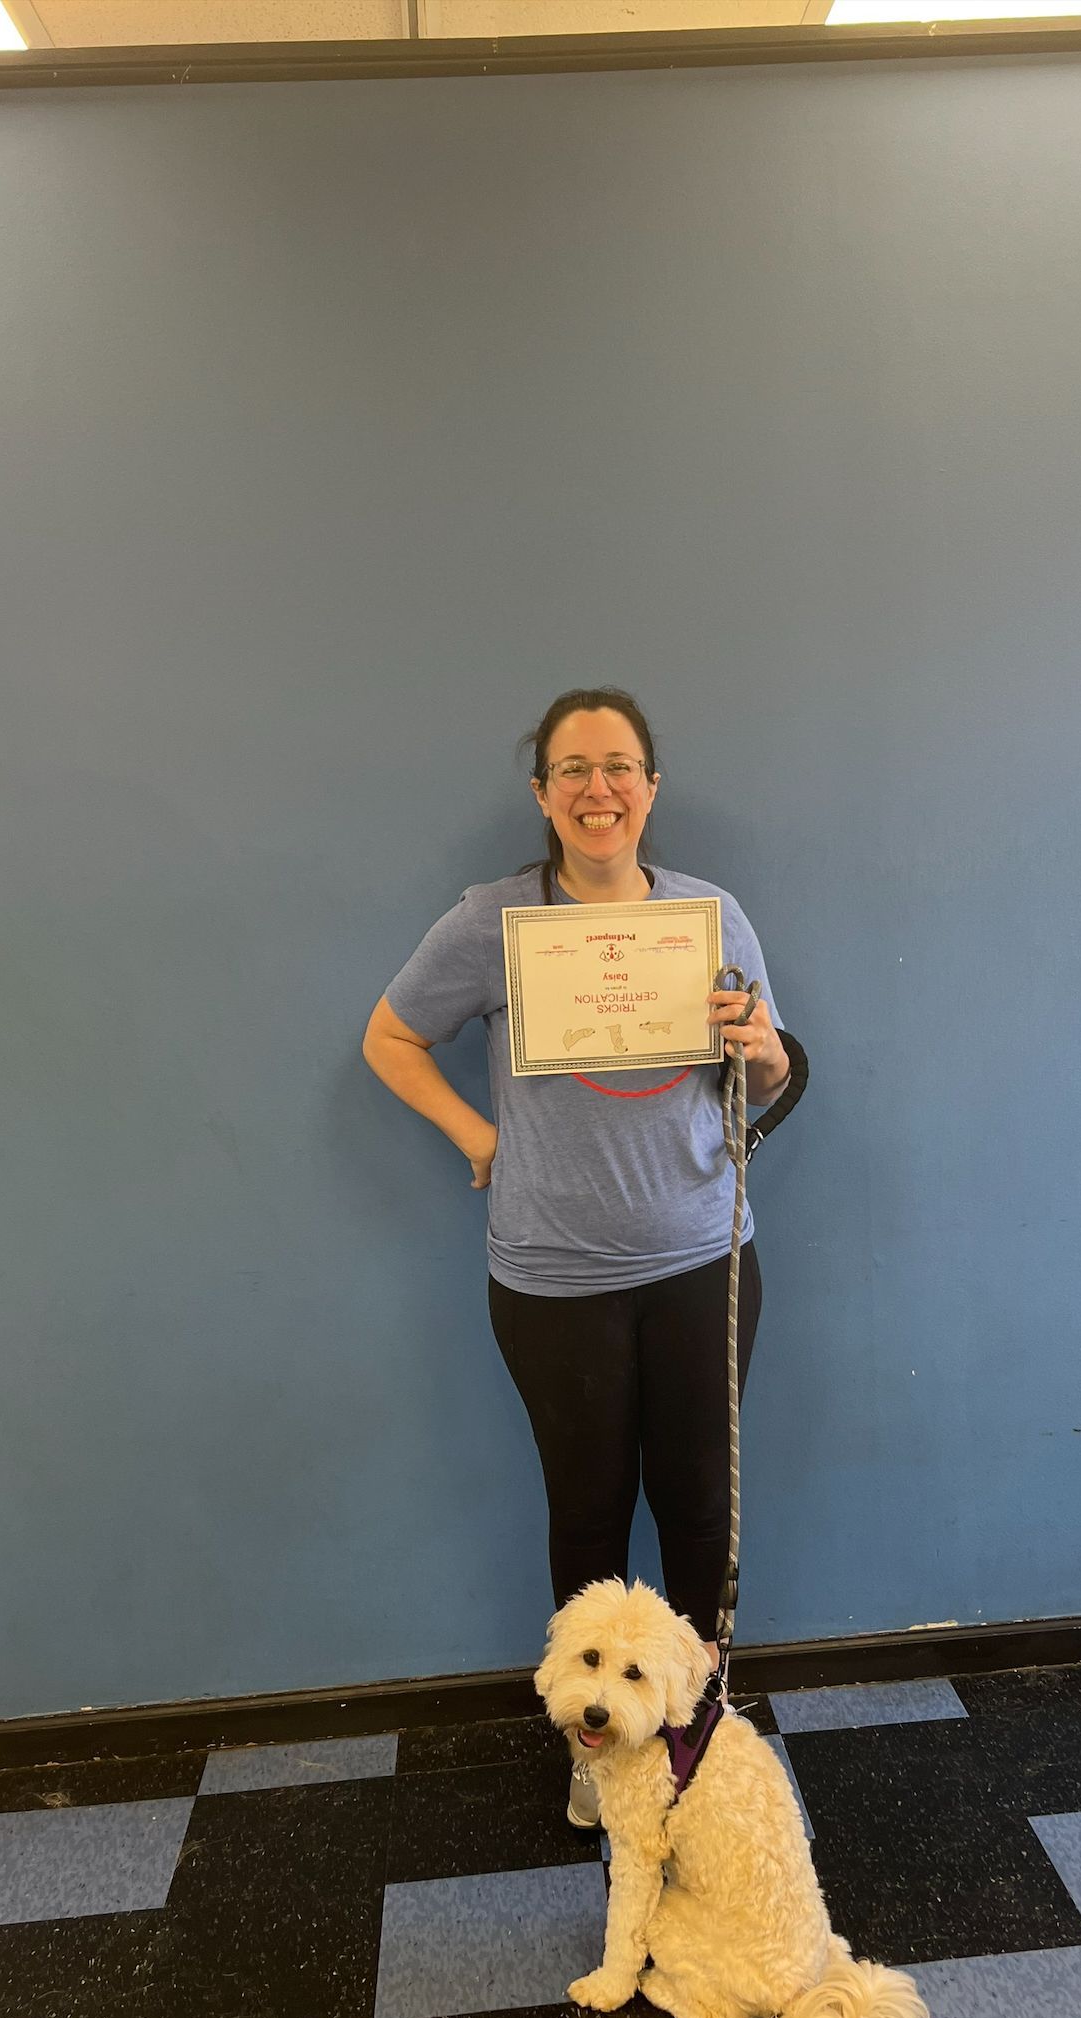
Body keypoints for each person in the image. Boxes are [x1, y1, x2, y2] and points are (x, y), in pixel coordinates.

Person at [362, 687, 790, 1823]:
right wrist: (478, 1137)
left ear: (651, 785)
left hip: (703, 1261)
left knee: (699, 1512)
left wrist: (762, 1049)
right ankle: (597, 1751)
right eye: (572, 770)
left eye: (619, 767)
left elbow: (769, 1077)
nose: (598, 789)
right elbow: (390, 1036)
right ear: (542, 793)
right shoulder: (491, 922)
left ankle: (696, 1738)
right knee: (590, 1518)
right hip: (554, 1281)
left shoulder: (711, 915)